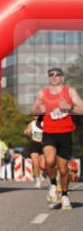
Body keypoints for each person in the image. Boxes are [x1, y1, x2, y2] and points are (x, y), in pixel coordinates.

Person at [30, 66, 83, 210]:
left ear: (62, 77)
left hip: (65, 133)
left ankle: (64, 195)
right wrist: (39, 110)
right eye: (51, 75)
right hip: (49, 132)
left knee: (63, 169)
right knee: (49, 161)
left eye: (57, 74)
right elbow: (33, 109)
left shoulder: (70, 91)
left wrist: (69, 107)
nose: (54, 76)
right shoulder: (42, 93)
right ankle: (53, 185)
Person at [24, 116, 45, 188]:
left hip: (43, 145)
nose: (36, 117)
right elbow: (27, 132)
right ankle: (38, 180)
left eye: (38, 115)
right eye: (35, 115)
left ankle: (42, 174)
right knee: (35, 164)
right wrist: (27, 132)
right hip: (34, 144)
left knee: (42, 165)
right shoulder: (31, 124)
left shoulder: (44, 123)